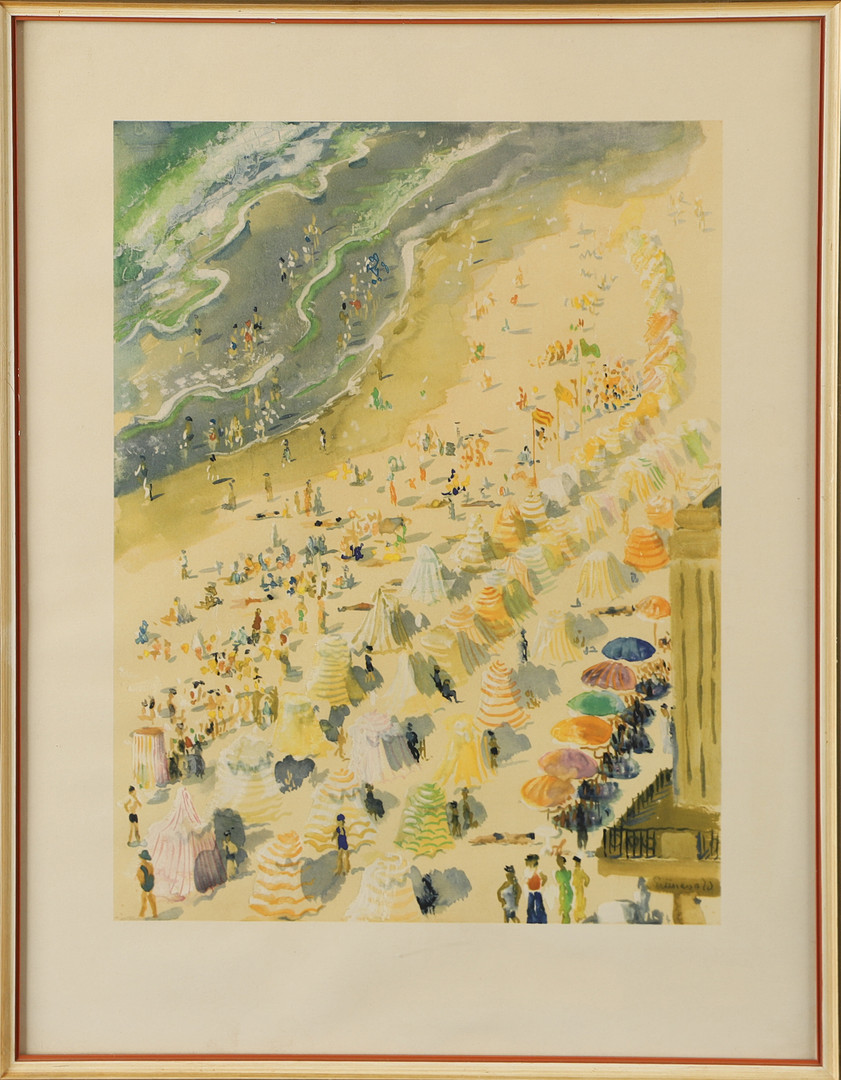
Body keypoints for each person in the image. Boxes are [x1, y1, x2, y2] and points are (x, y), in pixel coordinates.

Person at [525, 853, 547, 923]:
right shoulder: (527, 870)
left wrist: (542, 884)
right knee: (530, 908)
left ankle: (541, 921)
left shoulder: (538, 870)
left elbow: (545, 877)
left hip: (537, 891)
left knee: (539, 907)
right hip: (530, 892)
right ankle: (532, 921)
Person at [137, 850, 157, 918]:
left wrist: (142, 883)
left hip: (145, 885)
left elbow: (141, 878)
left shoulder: (141, 867)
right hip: (150, 883)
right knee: (150, 897)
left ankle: (142, 914)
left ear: (142, 858)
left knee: (144, 898)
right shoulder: (150, 865)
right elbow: (152, 874)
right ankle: (154, 913)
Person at [555, 854, 573, 924]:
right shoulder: (558, 873)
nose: (559, 863)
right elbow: (560, 882)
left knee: (566, 910)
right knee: (564, 910)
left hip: (567, 892)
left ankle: (566, 923)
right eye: (558, 861)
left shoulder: (568, 873)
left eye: (560, 861)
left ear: (563, 861)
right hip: (562, 891)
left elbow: (563, 881)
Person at [572, 855, 590, 923]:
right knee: (577, 902)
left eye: (576, 862)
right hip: (576, 889)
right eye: (575, 862)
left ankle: (580, 915)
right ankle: (577, 916)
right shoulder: (575, 871)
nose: (575, 864)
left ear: (579, 863)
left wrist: (586, 884)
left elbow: (587, 878)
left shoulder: (580, 871)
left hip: (579, 889)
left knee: (579, 902)